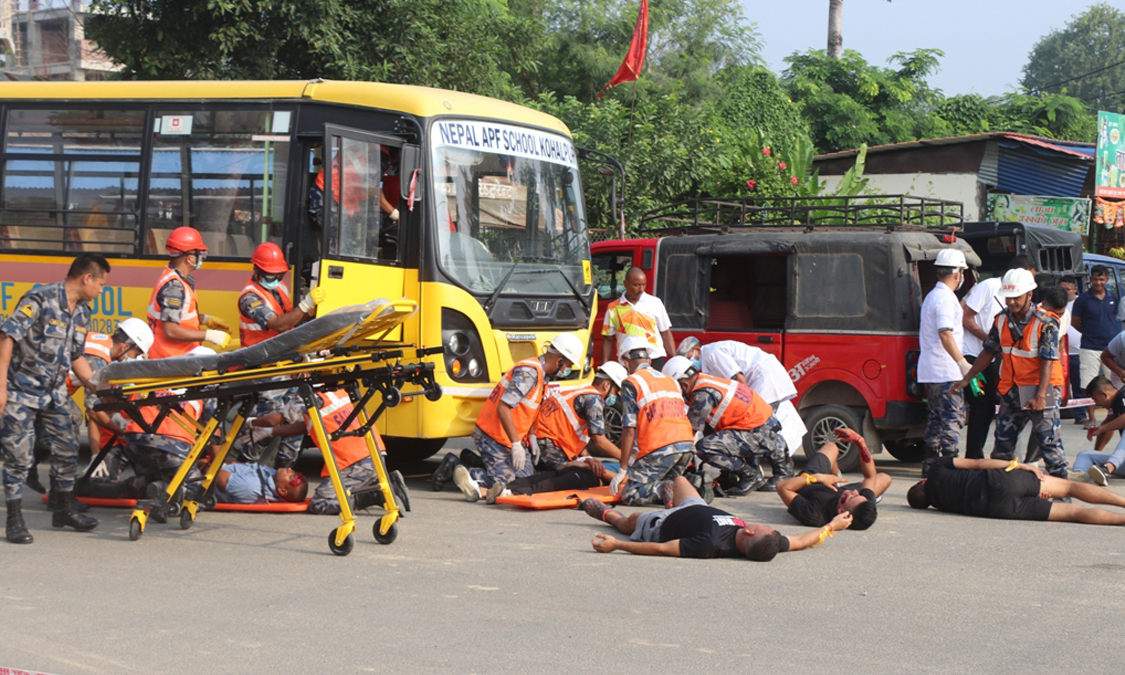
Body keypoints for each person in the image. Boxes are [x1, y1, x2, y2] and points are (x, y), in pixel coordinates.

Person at [0, 254, 109, 543]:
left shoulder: (82, 312)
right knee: (18, 457)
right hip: (20, 391)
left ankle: (63, 509)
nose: (101, 289)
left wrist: (98, 386)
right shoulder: (39, 299)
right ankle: (14, 519)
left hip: (54, 392)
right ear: (87, 278)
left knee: (68, 447)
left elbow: (76, 357)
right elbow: (7, 336)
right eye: (100, 283)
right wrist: (0, 386)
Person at [954, 268, 1068, 479]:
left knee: (1048, 441)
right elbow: (988, 353)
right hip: (1013, 388)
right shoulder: (1001, 320)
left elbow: (1047, 362)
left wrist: (1041, 395)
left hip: (1042, 388)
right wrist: (967, 378)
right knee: (1003, 445)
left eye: (1016, 297)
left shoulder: (1046, 323)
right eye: (1008, 298)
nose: (1011, 302)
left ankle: (1063, 490)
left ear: (1029, 295)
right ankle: (1003, 485)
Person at [580, 476, 852, 561]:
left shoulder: (708, 544)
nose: (763, 526)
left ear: (747, 534)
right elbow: (802, 541)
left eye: (759, 527)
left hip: (663, 523)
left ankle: (608, 515)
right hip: (694, 505)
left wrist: (616, 544)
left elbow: (660, 549)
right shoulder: (768, 542)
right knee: (680, 479)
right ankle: (673, 497)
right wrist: (830, 527)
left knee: (630, 523)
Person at [452, 333, 584, 502]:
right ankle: (463, 471)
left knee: (527, 480)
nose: (568, 370)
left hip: (511, 437)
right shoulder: (529, 373)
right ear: (559, 361)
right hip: (493, 436)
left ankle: (474, 461)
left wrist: (531, 437)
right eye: (569, 365)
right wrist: (516, 444)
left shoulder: (542, 375)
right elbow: (504, 406)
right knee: (510, 484)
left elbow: (528, 409)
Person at [481, 362, 628, 504]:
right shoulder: (594, 400)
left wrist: (588, 459)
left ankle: (474, 466)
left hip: (539, 441)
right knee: (555, 477)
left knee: (533, 474)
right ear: (607, 385)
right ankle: (504, 489)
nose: (616, 396)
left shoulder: (578, 392)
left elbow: (574, 435)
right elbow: (600, 441)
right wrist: (627, 460)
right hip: (548, 446)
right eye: (616, 391)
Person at [234, 242, 325, 466]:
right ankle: (244, 468)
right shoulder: (250, 298)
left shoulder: (279, 289)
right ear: (256, 271)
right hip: (264, 369)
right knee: (269, 424)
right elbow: (278, 325)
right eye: (270, 274)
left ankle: (283, 471)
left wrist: (308, 311)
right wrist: (306, 306)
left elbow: (292, 322)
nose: (275, 278)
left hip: (285, 364)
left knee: (294, 423)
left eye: (279, 274)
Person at [250, 388, 407, 515]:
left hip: (354, 462)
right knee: (349, 485)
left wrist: (250, 422)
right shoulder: (338, 391)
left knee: (320, 503)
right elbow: (307, 426)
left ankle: (374, 495)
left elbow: (273, 419)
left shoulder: (306, 397)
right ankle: (381, 481)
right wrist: (271, 432)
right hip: (374, 453)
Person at [675, 336, 806, 481]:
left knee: (758, 429)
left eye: (689, 357)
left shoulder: (712, 353)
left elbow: (740, 380)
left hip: (764, 380)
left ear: (697, 349)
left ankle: (771, 473)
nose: (690, 363)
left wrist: (745, 406)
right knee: (753, 431)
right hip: (761, 380)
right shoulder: (706, 364)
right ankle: (756, 473)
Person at [661, 355, 793, 495]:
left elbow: (689, 434)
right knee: (709, 430)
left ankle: (750, 475)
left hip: (758, 432)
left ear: (684, 385)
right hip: (762, 426)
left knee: (705, 447)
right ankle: (730, 475)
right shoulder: (707, 381)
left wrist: (673, 464)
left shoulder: (703, 395)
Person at [960, 255, 1037, 458]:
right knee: (981, 406)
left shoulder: (1029, 309)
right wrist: (993, 342)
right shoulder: (989, 286)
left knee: (989, 410)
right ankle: (973, 456)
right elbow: (966, 317)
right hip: (973, 356)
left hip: (993, 361)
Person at [907, 456, 1125, 526]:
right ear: (920, 483)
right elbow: (979, 463)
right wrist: (1018, 465)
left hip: (1000, 508)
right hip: (1000, 479)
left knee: (1073, 513)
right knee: (1071, 487)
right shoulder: (936, 469)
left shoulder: (941, 505)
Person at [609, 336, 695, 507]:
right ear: (649, 359)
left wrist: (623, 469)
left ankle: (665, 487)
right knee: (672, 481)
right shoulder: (670, 380)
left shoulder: (631, 383)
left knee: (631, 494)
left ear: (625, 362)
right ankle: (692, 483)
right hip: (686, 446)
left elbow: (629, 428)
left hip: (661, 449)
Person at [72, 318, 154, 483]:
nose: (134, 358)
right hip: (42, 390)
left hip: (47, 390)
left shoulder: (100, 346)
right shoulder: (98, 358)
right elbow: (94, 410)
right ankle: (61, 495)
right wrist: (121, 431)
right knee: (66, 434)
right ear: (125, 346)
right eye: (135, 354)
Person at [918, 249, 971, 475]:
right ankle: (949, 466)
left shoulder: (932, 295)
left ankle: (929, 465)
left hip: (931, 369)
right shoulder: (946, 299)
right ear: (958, 273)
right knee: (952, 418)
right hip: (946, 370)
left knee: (936, 418)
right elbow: (945, 333)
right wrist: (962, 363)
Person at [777, 427, 891, 530]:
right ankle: (836, 477)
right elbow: (870, 476)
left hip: (808, 482)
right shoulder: (862, 503)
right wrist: (860, 441)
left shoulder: (815, 514)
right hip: (834, 489)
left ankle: (832, 478)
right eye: (858, 494)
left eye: (851, 497)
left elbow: (782, 487)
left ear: (841, 512)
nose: (854, 492)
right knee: (884, 478)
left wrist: (818, 478)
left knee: (830, 446)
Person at [147, 226, 231, 359]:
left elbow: (178, 315)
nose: (202, 259)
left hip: (177, 355)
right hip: (171, 357)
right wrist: (209, 335)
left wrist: (206, 319)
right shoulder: (174, 287)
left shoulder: (177, 280)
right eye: (200, 255)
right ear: (190, 258)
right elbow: (170, 330)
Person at [600, 267, 675, 371]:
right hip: (628, 362)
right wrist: (605, 367)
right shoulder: (613, 308)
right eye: (636, 285)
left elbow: (666, 333)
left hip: (654, 359)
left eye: (644, 284)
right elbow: (608, 339)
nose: (641, 289)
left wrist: (675, 360)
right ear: (625, 284)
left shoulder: (655, 303)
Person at [1072, 265, 1120, 425]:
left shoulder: (1113, 297)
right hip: (1089, 347)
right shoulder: (1083, 299)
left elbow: (1113, 317)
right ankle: (1091, 418)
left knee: (1112, 384)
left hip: (1109, 349)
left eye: (1101, 279)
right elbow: (1075, 322)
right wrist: (1089, 332)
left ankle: (1114, 415)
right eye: (1095, 279)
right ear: (1090, 280)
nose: (1098, 282)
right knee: (1089, 384)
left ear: (1107, 280)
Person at [1075, 376, 1125, 485]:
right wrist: (1097, 450)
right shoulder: (1115, 404)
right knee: (1086, 455)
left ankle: (1108, 468)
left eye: (1095, 399)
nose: (1096, 404)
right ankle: (1077, 478)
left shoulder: (1123, 394)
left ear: (1105, 395)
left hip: (1113, 464)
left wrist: (1102, 428)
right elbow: (1107, 427)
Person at [1059, 276, 1088, 424]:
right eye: (1061, 289)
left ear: (1075, 289)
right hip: (1058, 354)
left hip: (1077, 352)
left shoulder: (1082, 303)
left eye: (1067, 290)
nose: (1064, 293)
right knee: (1057, 385)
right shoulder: (1052, 303)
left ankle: (1080, 415)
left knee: (1078, 385)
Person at [214, 462, 308, 505]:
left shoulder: (251, 486)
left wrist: (206, 463)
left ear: (282, 491)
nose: (289, 469)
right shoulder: (272, 475)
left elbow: (213, 474)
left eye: (291, 476)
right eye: (293, 472)